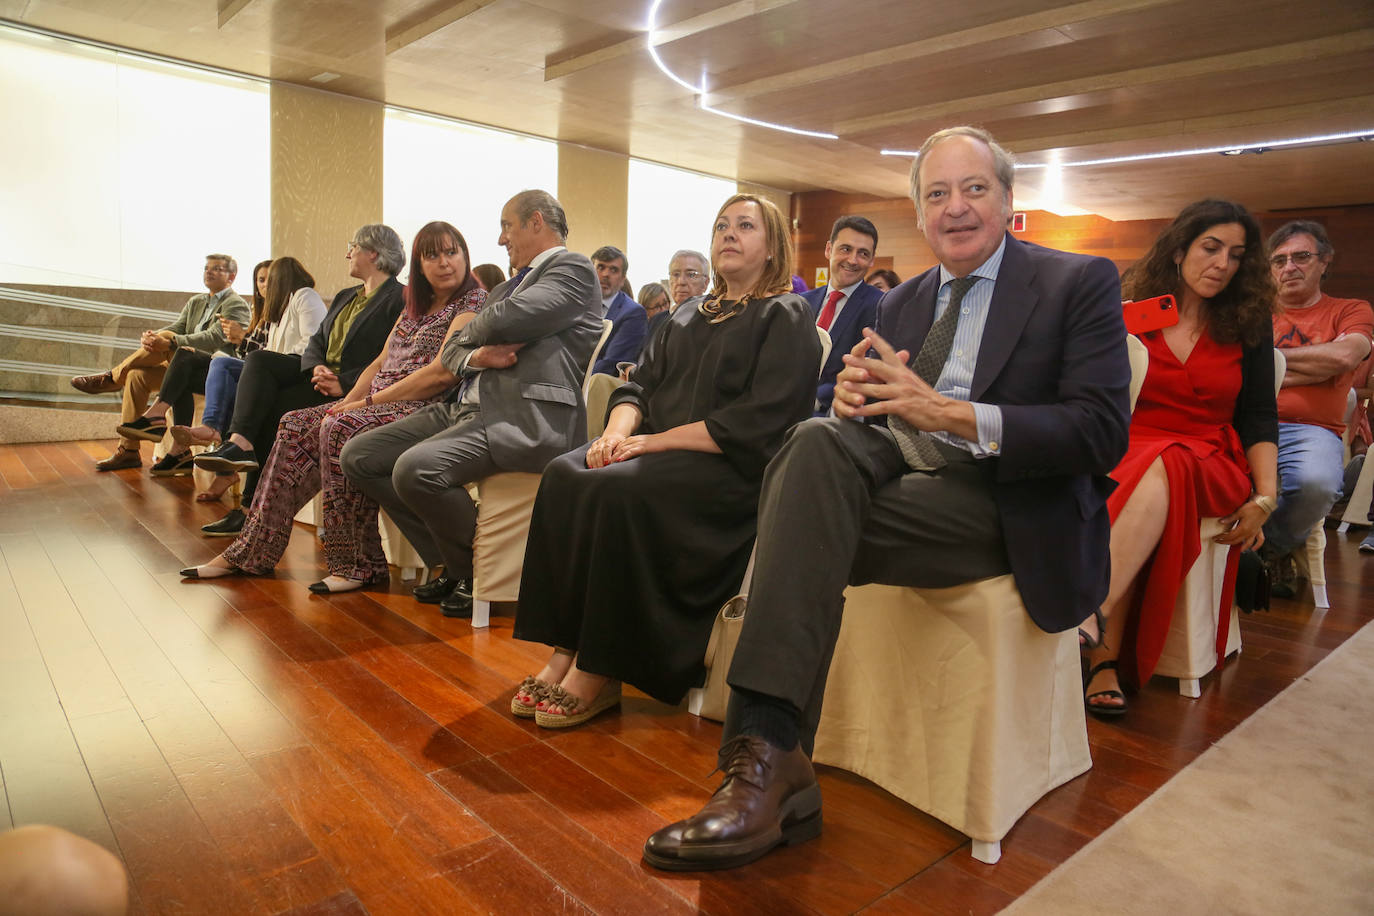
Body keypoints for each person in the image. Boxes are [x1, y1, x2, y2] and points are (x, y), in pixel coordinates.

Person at [641, 126, 1130, 871]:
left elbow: (1100, 431)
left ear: (1007, 199)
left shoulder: (1077, 281)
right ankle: (772, 757)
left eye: (974, 189)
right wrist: (852, 401)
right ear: (920, 210)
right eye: (937, 193)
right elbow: (864, 409)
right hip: (901, 477)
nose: (956, 208)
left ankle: (767, 766)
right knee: (811, 442)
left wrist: (952, 414)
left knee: (796, 509)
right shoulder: (899, 303)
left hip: (1006, 499)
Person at [510, 194, 820, 728]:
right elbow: (641, 386)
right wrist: (615, 431)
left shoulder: (785, 314)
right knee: (566, 472)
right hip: (653, 450)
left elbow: (760, 421)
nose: (729, 233)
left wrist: (654, 443)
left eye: (745, 226)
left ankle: (601, 665)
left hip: (726, 469)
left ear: (773, 247)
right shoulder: (685, 314)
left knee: (616, 488)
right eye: (722, 224)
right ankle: (566, 645)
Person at [181, 222, 486, 592]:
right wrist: (347, 401)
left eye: (452, 252)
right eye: (432, 255)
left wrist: (364, 404)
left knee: (339, 427)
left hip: (420, 405)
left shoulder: (471, 302)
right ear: (419, 266)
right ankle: (250, 550)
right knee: (295, 423)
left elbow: (440, 375)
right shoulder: (414, 306)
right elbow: (379, 362)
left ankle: (355, 563)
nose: (444, 263)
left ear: (465, 256)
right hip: (377, 400)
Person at [340, 190, 602, 618]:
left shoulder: (571, 268)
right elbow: (453, 354)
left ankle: (471, 571)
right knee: (360, 455)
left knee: (415, 468)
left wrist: (474, 328)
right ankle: (454, 561)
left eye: (507, 226)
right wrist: (477, 352)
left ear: (536, 221)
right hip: (466, 407)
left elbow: (505, 319)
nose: (502, 240)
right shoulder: (504, 286)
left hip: (523, 414)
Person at [1079, 200, 1279, 716]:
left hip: (1210, 455)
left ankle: (1090, 616)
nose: (1222, 264)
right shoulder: (1129, 309)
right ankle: (1098, 653)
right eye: (1210, 248)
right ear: (1178, 249)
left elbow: (1259, 417)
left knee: (1164, 461)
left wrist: (1266, 496)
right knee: (1140, 468)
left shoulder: (1248, 324)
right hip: (1131, 446)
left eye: (1236, 255)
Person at [192, 225, 406, 536]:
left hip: (354, 388)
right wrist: (316, 367)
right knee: (259, 362)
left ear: (373, 253)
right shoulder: (348, 295)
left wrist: (343, 383)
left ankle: (249, 504)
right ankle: (242, 453)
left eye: (353, 247)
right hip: (320, 377)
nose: (348, 253)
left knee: (270, 396)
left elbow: (390, 357)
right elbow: (317, 339)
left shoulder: (399, 298)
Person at [123, 257, 325, 479]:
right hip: (262, 367)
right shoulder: (272, 311)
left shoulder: (302, 297)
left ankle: (179, 430)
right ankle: (180, 431)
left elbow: (309, 344)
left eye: (270, 279)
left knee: (196, 358)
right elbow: (262, 353)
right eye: (260, 280)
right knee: (188, 360)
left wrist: (241, 340)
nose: (265, 285)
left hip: (285, 369)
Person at [1258, 221, 1373, 596]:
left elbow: (1345, 355)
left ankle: (1267, 550)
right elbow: (1230, 370)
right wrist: (1316, 368)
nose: (1289, 267)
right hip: (1244, 420)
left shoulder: (1350, 309)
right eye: (1279, 260)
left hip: (1310, 427)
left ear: (1324, 262)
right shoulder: (1254, 313)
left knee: (1317, 485)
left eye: (1301, 256)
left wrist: (1267, 367)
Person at [70, 254, 250, 471]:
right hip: (183, 364)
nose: (209, 272)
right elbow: (177, 326)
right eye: (206, 268)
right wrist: (152, 337)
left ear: (231, 276)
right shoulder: (197, 301)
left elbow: (213, 339)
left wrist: (170, 340)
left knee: (173, 344)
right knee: (137, 376)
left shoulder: (236, 304)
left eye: (217, 269)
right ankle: (128, 451)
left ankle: (114, 377)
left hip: (211, 370)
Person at [803, 216, 883, 416]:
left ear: (872, 260)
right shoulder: (801, 302)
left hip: (831, 418)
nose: (852, 260)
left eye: (863, 253)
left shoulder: (882, 307)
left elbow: (867, 375)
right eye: (845, 249)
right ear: (829, 249)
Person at [589, 245, 648, 376]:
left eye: (614, 270)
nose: (605, 274)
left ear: (622, 280)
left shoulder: (633, 313)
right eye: (601, 267)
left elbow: (610, 364)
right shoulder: (577, 305)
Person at [637, 281, 671, 357]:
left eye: (665, 303)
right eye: (657, 307)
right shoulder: (640, 338)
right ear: (645, 311)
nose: (664, 309)